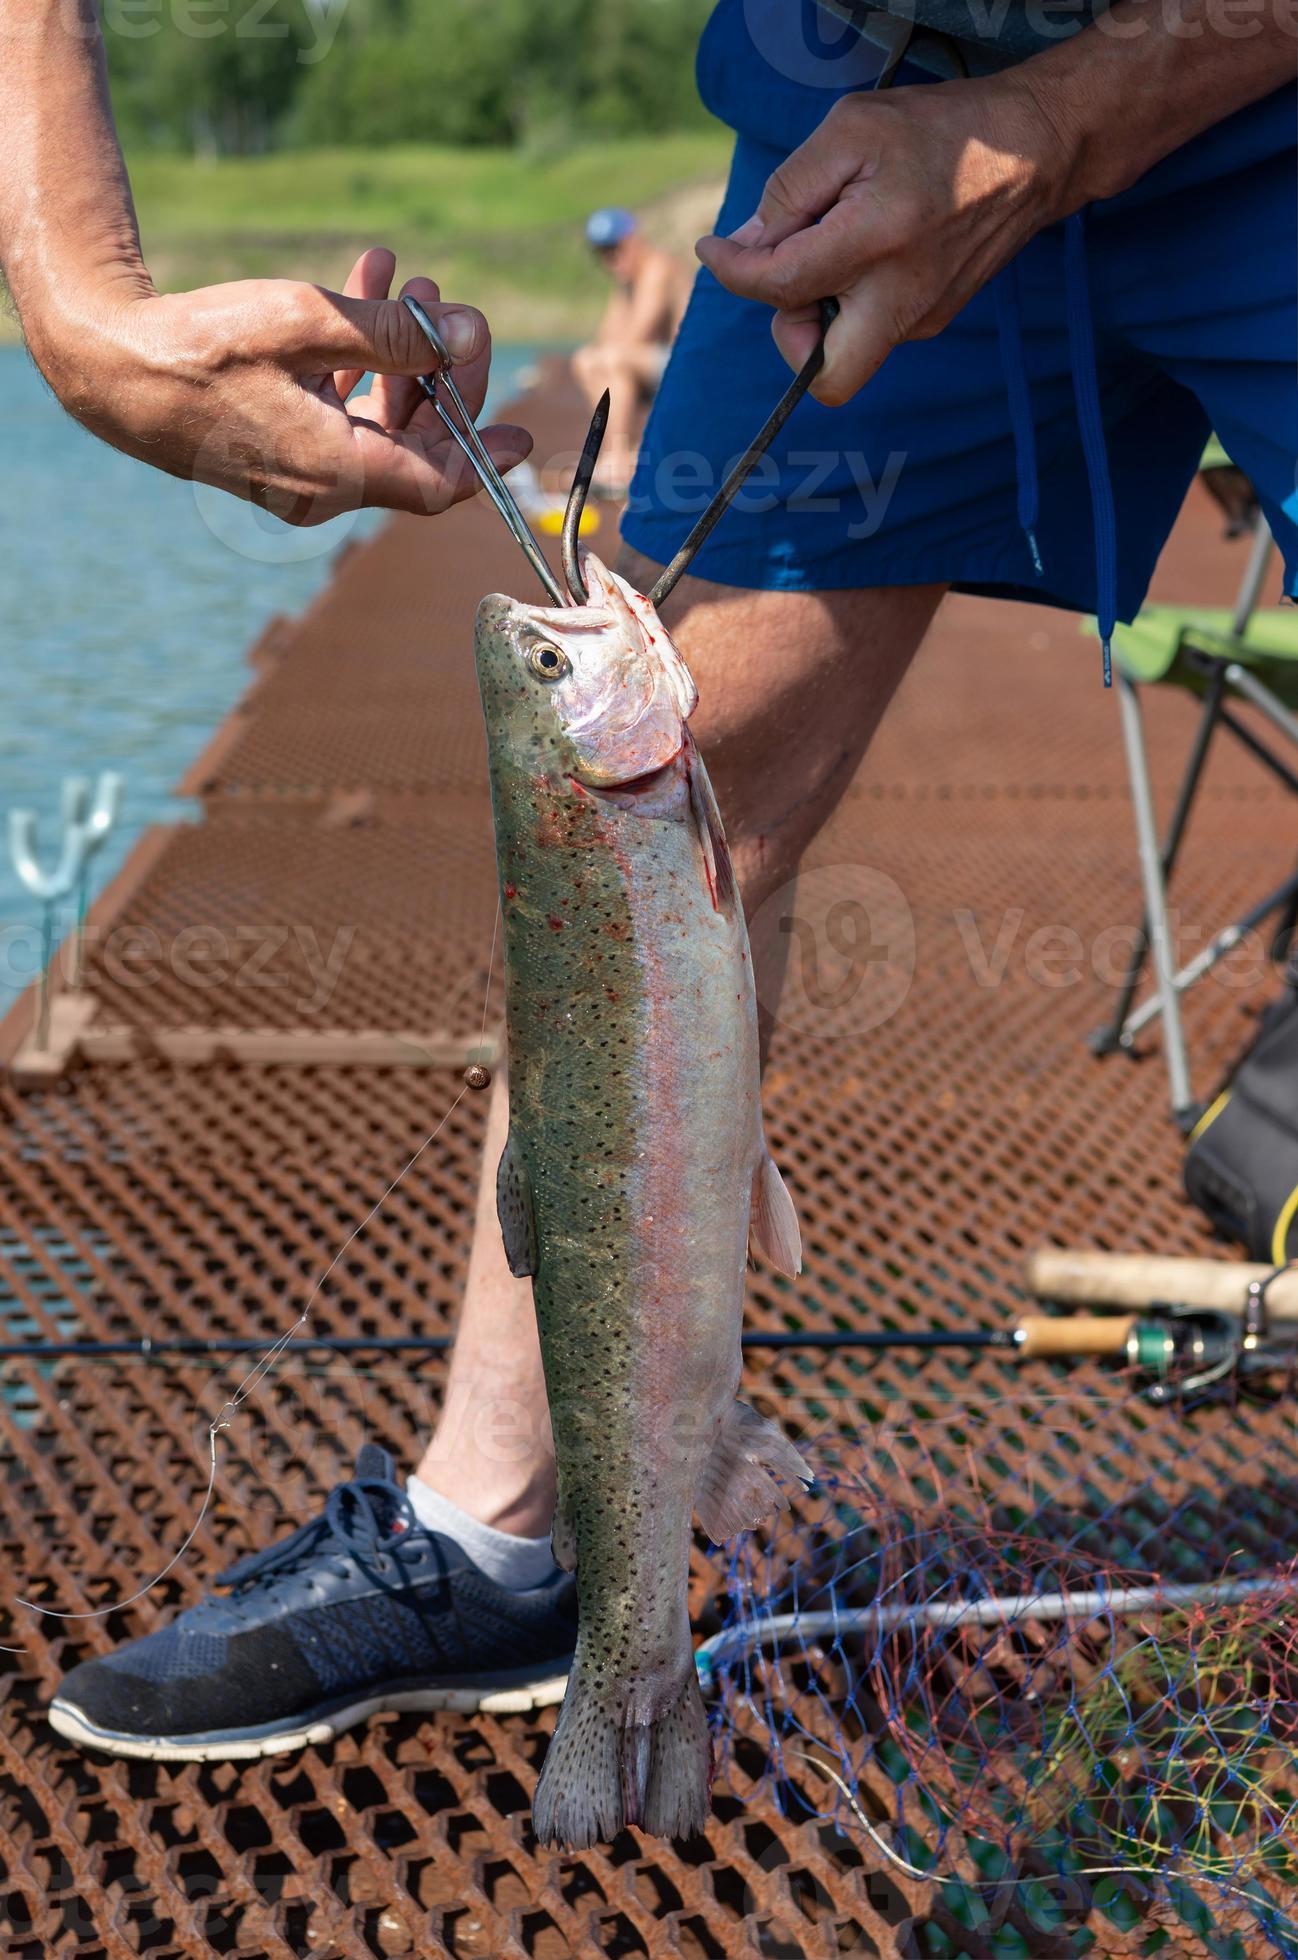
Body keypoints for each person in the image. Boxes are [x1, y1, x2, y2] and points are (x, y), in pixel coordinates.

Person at [8, 0, 1294, 1758]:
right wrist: (80, 304)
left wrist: (1056, 120)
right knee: (694, 759)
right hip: (864, 112)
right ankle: (499, 1542)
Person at [571, 208, 692, 495]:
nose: (611, 259)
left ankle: (618, 460)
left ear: (634, 239)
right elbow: (604, 341)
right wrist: (599, 356)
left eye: (616, 248)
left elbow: (638, 335)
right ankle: (618, 455)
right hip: (658, 366)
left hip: (691, 368)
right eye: (603, 253)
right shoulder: (626, 283)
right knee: (586, 361)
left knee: (613, 360)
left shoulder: (658, 268)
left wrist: (606, 354)